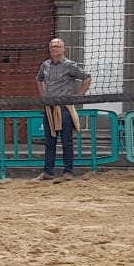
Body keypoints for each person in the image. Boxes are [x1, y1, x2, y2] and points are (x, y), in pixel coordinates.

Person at [34, 38, 91, 181]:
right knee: (49, 141)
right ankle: (47, 172)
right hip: (50, 108)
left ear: (63, 49)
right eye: (52, 46)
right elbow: (38, 79)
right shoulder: (45, 65)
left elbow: (87, 77)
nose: (55, 48)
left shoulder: (70, 65)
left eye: (58, 46)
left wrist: (78, 96)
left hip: (65, 107)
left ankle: (68, 172)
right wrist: (43, 96)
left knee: (67, 141)